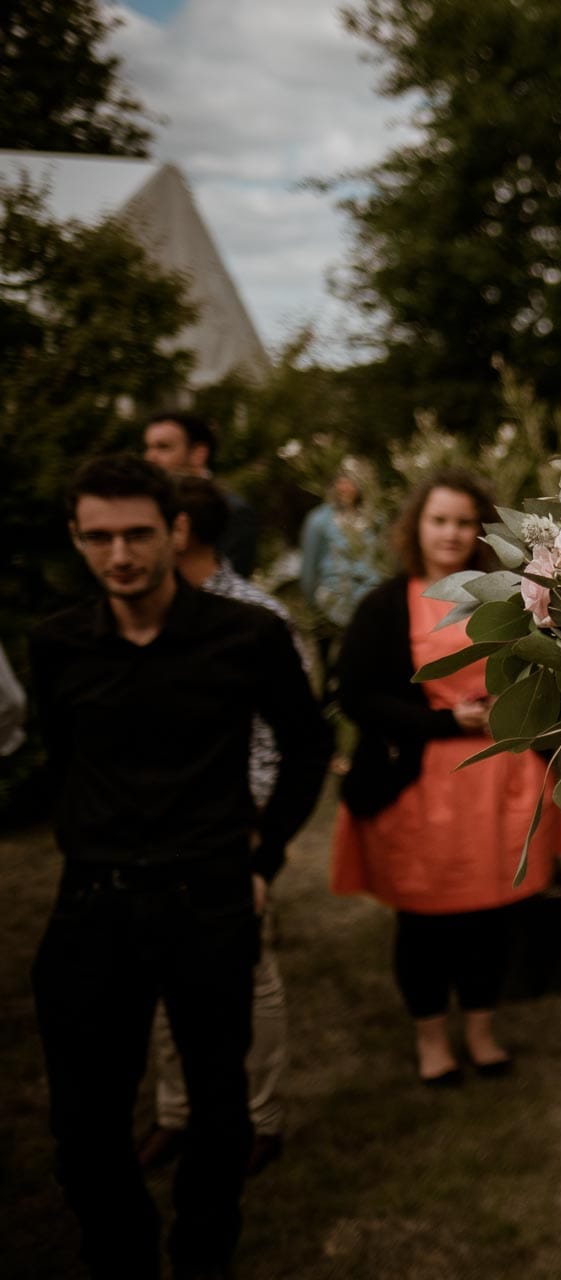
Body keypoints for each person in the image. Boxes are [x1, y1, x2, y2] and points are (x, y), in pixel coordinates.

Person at [29, 454, 329, 1280]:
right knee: (84, 1126)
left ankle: (203, 1255)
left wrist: (264, 854)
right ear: (76, 540)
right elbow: (63, 759)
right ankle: (120, 1257)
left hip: (209, 900)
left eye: (136, 535)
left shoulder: (247, 636)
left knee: (218, 1105)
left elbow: (308, 746)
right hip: (93, 904)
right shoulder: (58, 646)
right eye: (98, 538)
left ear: (176, 532)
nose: (118, 555)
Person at [330, 470, 561, 1084]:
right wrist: (442, 721)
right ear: (417, 527)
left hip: (499, 782)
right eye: (440, 520)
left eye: (464, 522)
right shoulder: (385, 604)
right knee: (425, 919)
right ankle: (432, 1039)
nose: (452, 533)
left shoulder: (513, 598)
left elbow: (551, 677)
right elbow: (356, 695)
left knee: (490, 915)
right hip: (420, 787)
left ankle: (482, 1032)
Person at [137, 478, 312, 1179]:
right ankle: (175, 1111)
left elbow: (284, 735)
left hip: (231, 825)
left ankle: (259, 1117)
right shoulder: (134, 614)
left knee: (250, 971)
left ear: (178, 530)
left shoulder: (256, 615)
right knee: (154, 968)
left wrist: (254, 826)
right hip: (148, 827)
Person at [142, 413, 260, 576]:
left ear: (198, 454)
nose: (150, 457)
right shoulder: (147, 506)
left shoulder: (233, 511)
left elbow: (231, 584)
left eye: (163, 447)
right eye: (148, 447)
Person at [298, 460, 381, 635]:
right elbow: (308, 568)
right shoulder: (319, 520)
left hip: (370, 603)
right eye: (341, 481)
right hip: (332, 605)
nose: (344, 487)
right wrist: (313, 605)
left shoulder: (375, 520)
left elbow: (382, 561)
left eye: (351, 481)